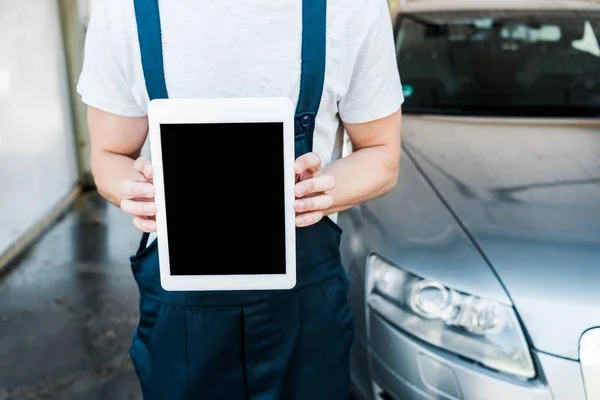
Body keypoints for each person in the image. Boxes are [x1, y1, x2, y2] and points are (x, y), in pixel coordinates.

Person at [77, 0, 403, 398]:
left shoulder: (350, 9)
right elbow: (109, 155)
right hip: (181, 312)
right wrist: (138, 191)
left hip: (306, 303)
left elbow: (382, 155)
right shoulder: (126, 11)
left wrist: (317, 192)